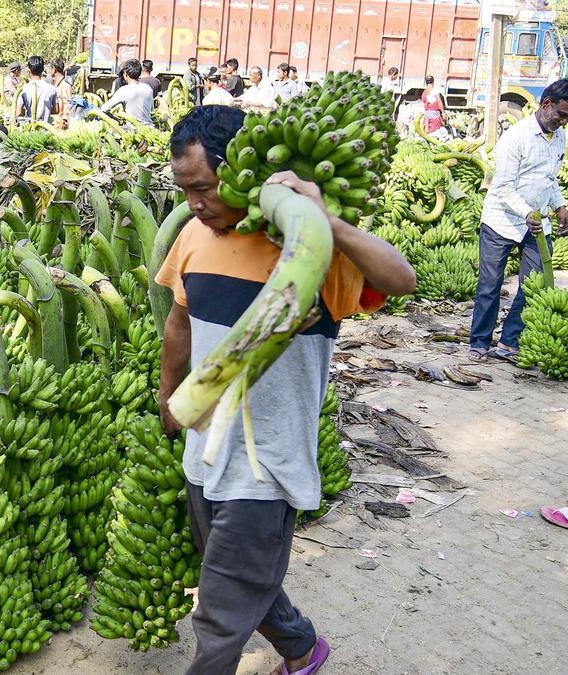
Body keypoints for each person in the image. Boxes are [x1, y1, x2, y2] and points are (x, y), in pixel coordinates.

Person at [158, 104, 415, 675]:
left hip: (268, 463)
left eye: (202, 188)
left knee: (220, 612)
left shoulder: (312, 249)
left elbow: (401, 279)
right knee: (237, 570)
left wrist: (327, 221)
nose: (194, 205)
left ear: (238, 172)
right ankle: (302, 648)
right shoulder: (194, 236)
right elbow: (180, 320)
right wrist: (168, 395)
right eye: (185, 191)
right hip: (204, 452)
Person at [469, 80, 568, 362]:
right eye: (561, 115)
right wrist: (526, 212)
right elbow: (502, 188)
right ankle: (479, 341)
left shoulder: (558, 137)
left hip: (537, 226)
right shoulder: (516, 137)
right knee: (490, 284)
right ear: (546, 103)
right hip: (502, 221)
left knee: (531, 285)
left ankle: (510, 340)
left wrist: (559, 205)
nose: (563, 122)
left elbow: (550, 179)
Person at [100, 59, 154, 126]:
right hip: (149, 128)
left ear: (125, 74)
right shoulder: (148, 88)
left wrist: (117, 119)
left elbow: (104, 109)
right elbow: (151, 109)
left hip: (132, 131)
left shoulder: (124, 90)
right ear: (140, 73)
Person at [15, 56, 58, 123]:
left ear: (29, 71)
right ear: (43, 70)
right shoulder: (51, 88)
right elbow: (56, 110)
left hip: (29, 128)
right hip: (46, 130)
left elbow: (19, 112)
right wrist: (45, 110)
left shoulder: (23, 89)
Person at [50, 58, 72, 128]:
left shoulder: (65, 85)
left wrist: (64, 120)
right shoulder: (55, 84)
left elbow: (68, 104)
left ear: (54, 69)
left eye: (51, 68)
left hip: (60, 124)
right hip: (53, 123)